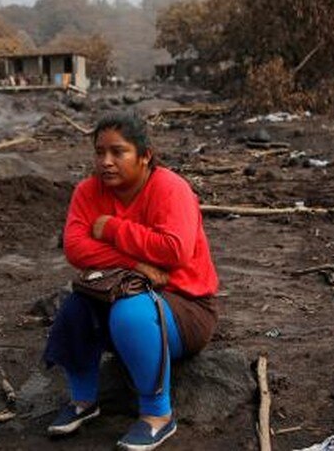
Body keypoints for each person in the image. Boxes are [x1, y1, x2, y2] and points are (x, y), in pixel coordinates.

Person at [43, 111, 220, 450]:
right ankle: (83, 401)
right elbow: (77, 248)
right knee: (76, 307)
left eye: (118, 152)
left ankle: (158, 416)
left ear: (145, 155)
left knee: (131, 313)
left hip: (187, 307)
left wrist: (111, 228)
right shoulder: (87, 191)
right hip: (118, 289)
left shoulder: (171, 188)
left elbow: (174, 251)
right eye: (99, 152)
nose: (105, 162)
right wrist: (135, 263)